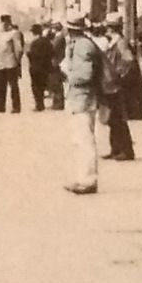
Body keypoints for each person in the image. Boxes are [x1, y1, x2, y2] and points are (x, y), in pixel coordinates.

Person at [60, 14, 105, 194]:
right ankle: (82, 178)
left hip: (83, 97)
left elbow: (84, 75)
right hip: (80, 97)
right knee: (80, 140)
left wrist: (66, 73)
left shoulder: (82, 46)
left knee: (85, 140)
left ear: (70, 30)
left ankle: (88, 180)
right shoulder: (80, 44)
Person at [99, 13, 138, 162]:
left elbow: (129, 59)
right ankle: (115, 148)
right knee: (113, 118)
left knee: (118, 118)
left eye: (108, 27)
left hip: (116, 85)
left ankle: (126, 150)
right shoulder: (114, 42)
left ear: (111, 28)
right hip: (111, 84)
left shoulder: (120, 42)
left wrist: (119, 74)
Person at [0, 14, 26, 113]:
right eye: (2, 22)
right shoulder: (0, 34)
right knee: (0, 86)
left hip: (11, 63)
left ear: (9, 22)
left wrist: (17, 61)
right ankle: (1, 106)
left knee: (13, 86)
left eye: (6, 22)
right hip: (1, 64)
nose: (4, 24)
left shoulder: (14, 33)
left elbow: (19, 49)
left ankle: (16, 107)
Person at [27, 25, 53, 112]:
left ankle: (39, 105)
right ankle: (41, 104)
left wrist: (28, 54)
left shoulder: (34, 43)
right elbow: (52, 53)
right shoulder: (47, 41)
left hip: (35, 67)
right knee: (42, 86)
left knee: (35, 86)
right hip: (45, 67)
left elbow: (32, 55)